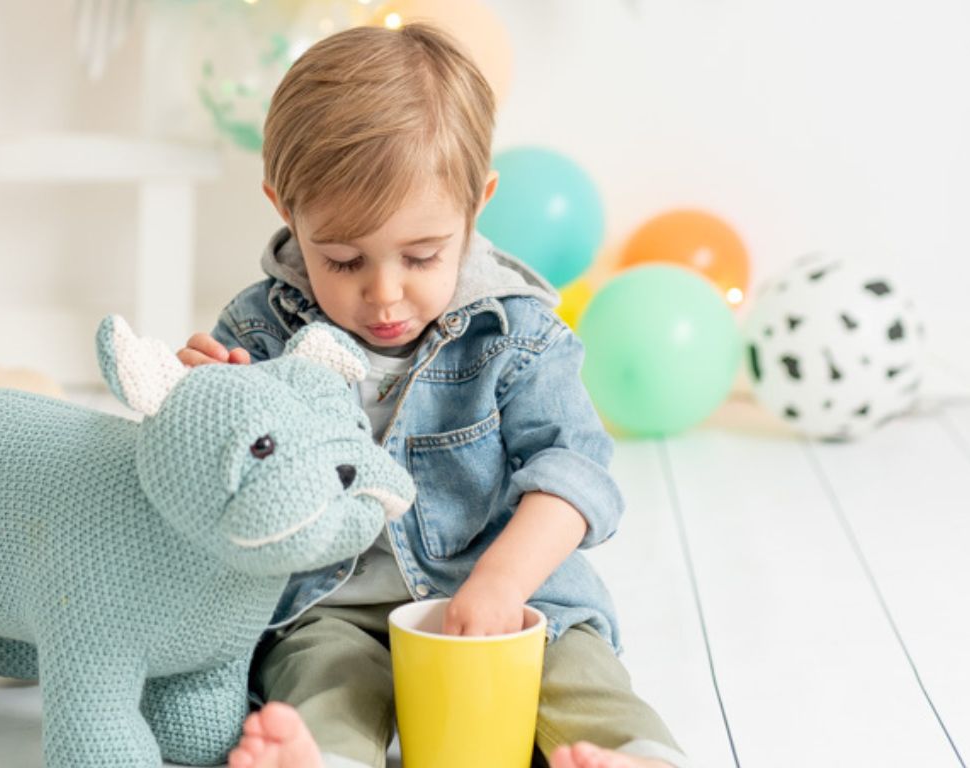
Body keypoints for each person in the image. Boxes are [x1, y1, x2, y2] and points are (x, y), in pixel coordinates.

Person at [179, 23, 690, 768]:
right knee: (322, 675)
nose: (384, 295)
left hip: (508, 596)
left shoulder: (516, 334)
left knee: (575, 672)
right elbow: (218, 492)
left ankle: (632, 755)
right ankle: (323, 758)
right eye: (343, 259)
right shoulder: (262, 329)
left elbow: (575, 475)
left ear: (477, 204)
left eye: (422, 256)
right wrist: (203, 405)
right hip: (334, 606)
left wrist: (500, 582)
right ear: (286, 211)